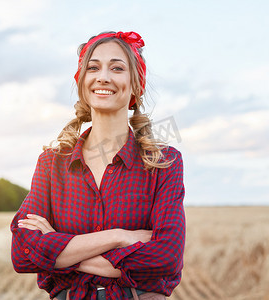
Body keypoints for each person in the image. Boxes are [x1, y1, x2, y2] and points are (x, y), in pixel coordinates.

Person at [10, 31, 186, 300]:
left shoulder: (163, 164)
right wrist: (118, 237)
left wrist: (58, 252)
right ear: (82, 83)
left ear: (136, 85)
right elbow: (23, 252)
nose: (103, 76)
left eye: (117, 68)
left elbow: (165, 258)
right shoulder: (52, 164)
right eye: (93, 67)